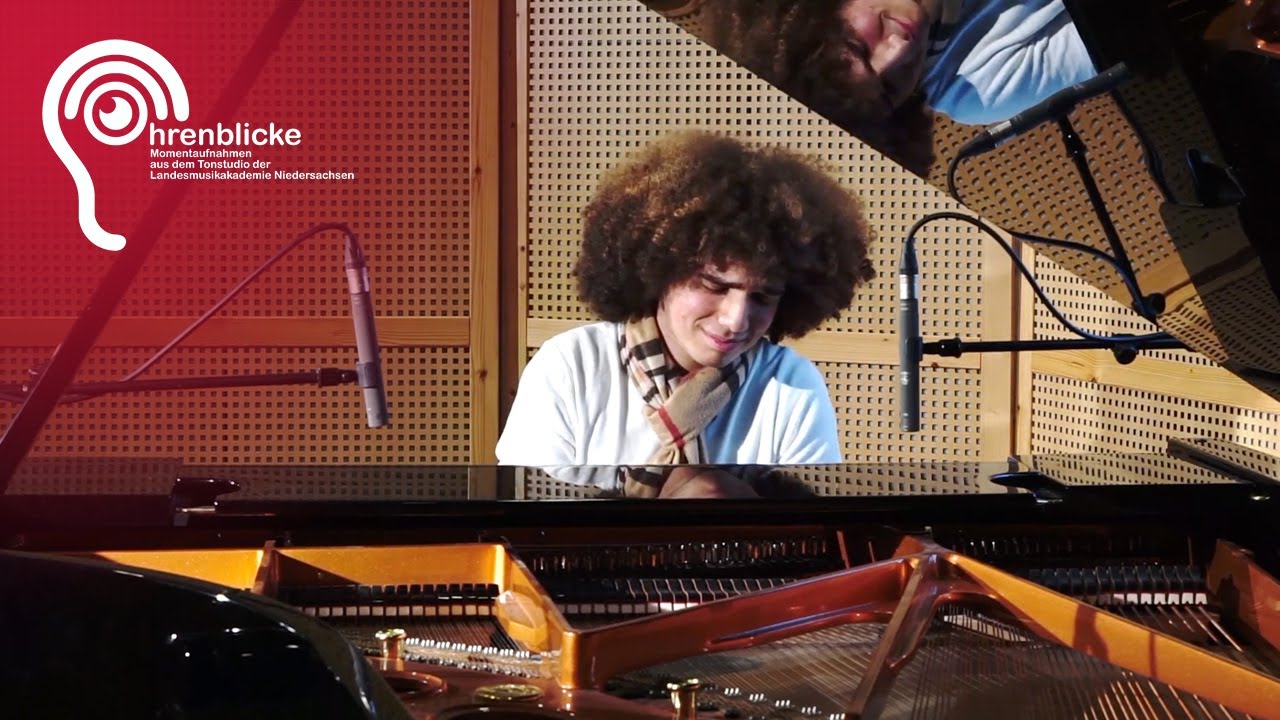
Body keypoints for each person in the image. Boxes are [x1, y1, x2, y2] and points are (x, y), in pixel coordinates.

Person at [496, 131, 876, 488]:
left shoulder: (791, 385)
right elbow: (524, 513)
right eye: (714, 286)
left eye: (763, 297)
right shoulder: (570, 367)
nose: (735, 320)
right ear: (659, 268)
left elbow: (811, 522)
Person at [697, 0, 1096, 171]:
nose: (899, 48)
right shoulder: (977, 92)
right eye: (889, 89)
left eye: (857, 46)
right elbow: (1120, 27)